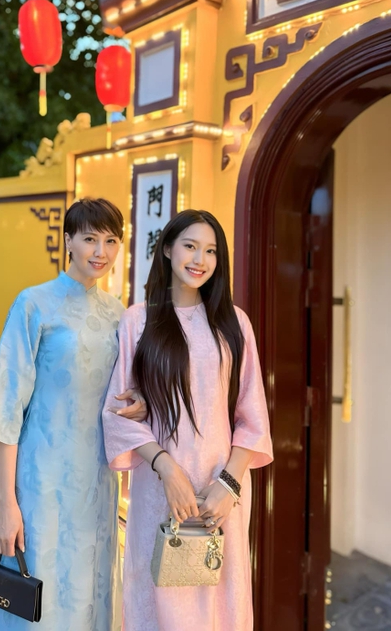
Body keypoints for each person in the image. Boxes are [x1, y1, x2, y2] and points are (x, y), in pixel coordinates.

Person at [0, 198, 145, 631]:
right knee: (37, 600)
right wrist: (7, 504)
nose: (100, 252)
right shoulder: (33, 304)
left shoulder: (118, 315)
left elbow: (124, 394)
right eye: (89, 239)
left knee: (89, 593)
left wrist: (140, 402)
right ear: (68, 241)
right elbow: (5, 411)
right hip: (40, 485)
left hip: (97, 485)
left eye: (111, 241)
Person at [103, 209, 273, 631]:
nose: (200, 259)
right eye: (190, 246)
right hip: (159, 491)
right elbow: (117, 413)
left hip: (221, 493)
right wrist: (168, 469)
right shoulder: (138, 320)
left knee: (221, 603)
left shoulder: (235, 323)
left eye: (211, 251)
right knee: (159, 599)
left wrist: (228, 485)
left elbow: (252, 416)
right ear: (167, 249)